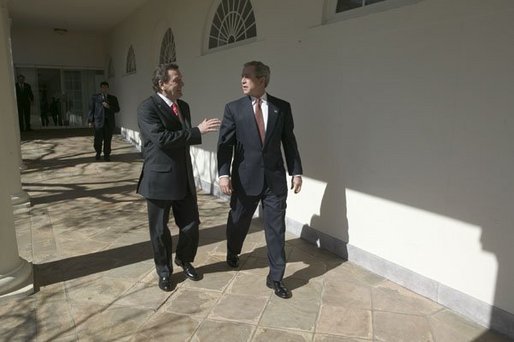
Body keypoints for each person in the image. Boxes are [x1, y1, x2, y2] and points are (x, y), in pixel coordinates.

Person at [217, 61, 303, 299]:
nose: (242, 80)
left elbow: (289, 142)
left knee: (276, 229)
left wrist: (295, 171)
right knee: (238, 221)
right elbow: (225, 145)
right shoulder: (233, 108)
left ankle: (276, 277)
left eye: (247, 76)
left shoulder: (281, 107)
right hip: (244, 180)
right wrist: (223, 174)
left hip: (274, 180)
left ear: (262, 80)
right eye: (242, 75)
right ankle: (233, 251)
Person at [136, 63, 220, 292]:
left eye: (181, 79)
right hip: (159, 180)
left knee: (191, 225)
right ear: (162, 84)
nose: (182, 84)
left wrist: (192, 133)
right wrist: (196, 132)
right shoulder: (147, 108)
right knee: (160, 231)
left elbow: (180, 139)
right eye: (176, 80)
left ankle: (184, 260)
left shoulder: (183, 106)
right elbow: (162, 139)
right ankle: (164, 272)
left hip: (183, 177)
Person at [87, 81, 120, 161]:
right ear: (100, 88)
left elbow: (117, 109)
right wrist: (90, 121)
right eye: (103, 87)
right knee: (98, 140)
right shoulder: (95, 97)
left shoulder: (113, 98)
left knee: (107, 140)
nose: (104, 89)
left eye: (106, 87)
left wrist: (109, 106)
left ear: (108, 88)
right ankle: (98, 152)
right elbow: (91, 109)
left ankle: (106, 155)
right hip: (98, 122)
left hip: (109, 123)